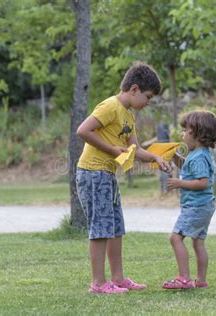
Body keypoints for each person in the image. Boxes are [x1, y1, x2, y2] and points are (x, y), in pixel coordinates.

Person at [76, 61, 171, 294]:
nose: (147, 103)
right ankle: (98, 283)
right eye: (147, 97)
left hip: (107, 175)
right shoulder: (110, 106)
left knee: (116, 226)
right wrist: (111, 150)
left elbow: (134, 149)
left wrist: (155, 159)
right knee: (101, 227)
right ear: (134, 89)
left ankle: (117, 278)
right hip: (92, 173)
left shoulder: (129, 116)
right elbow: (83, 131)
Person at [163, 110, 216, 289]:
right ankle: (201, 280)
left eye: (185, 131)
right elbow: (189, 168)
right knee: (198, 242)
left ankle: (184, 279)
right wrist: (175, 158)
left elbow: (203, 182)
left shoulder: (199, 157)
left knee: (175, 238)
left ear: (197, 134)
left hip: (196, 206)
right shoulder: (198, 155)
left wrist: (180, 182)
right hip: (204, 206)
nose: (182, 134)